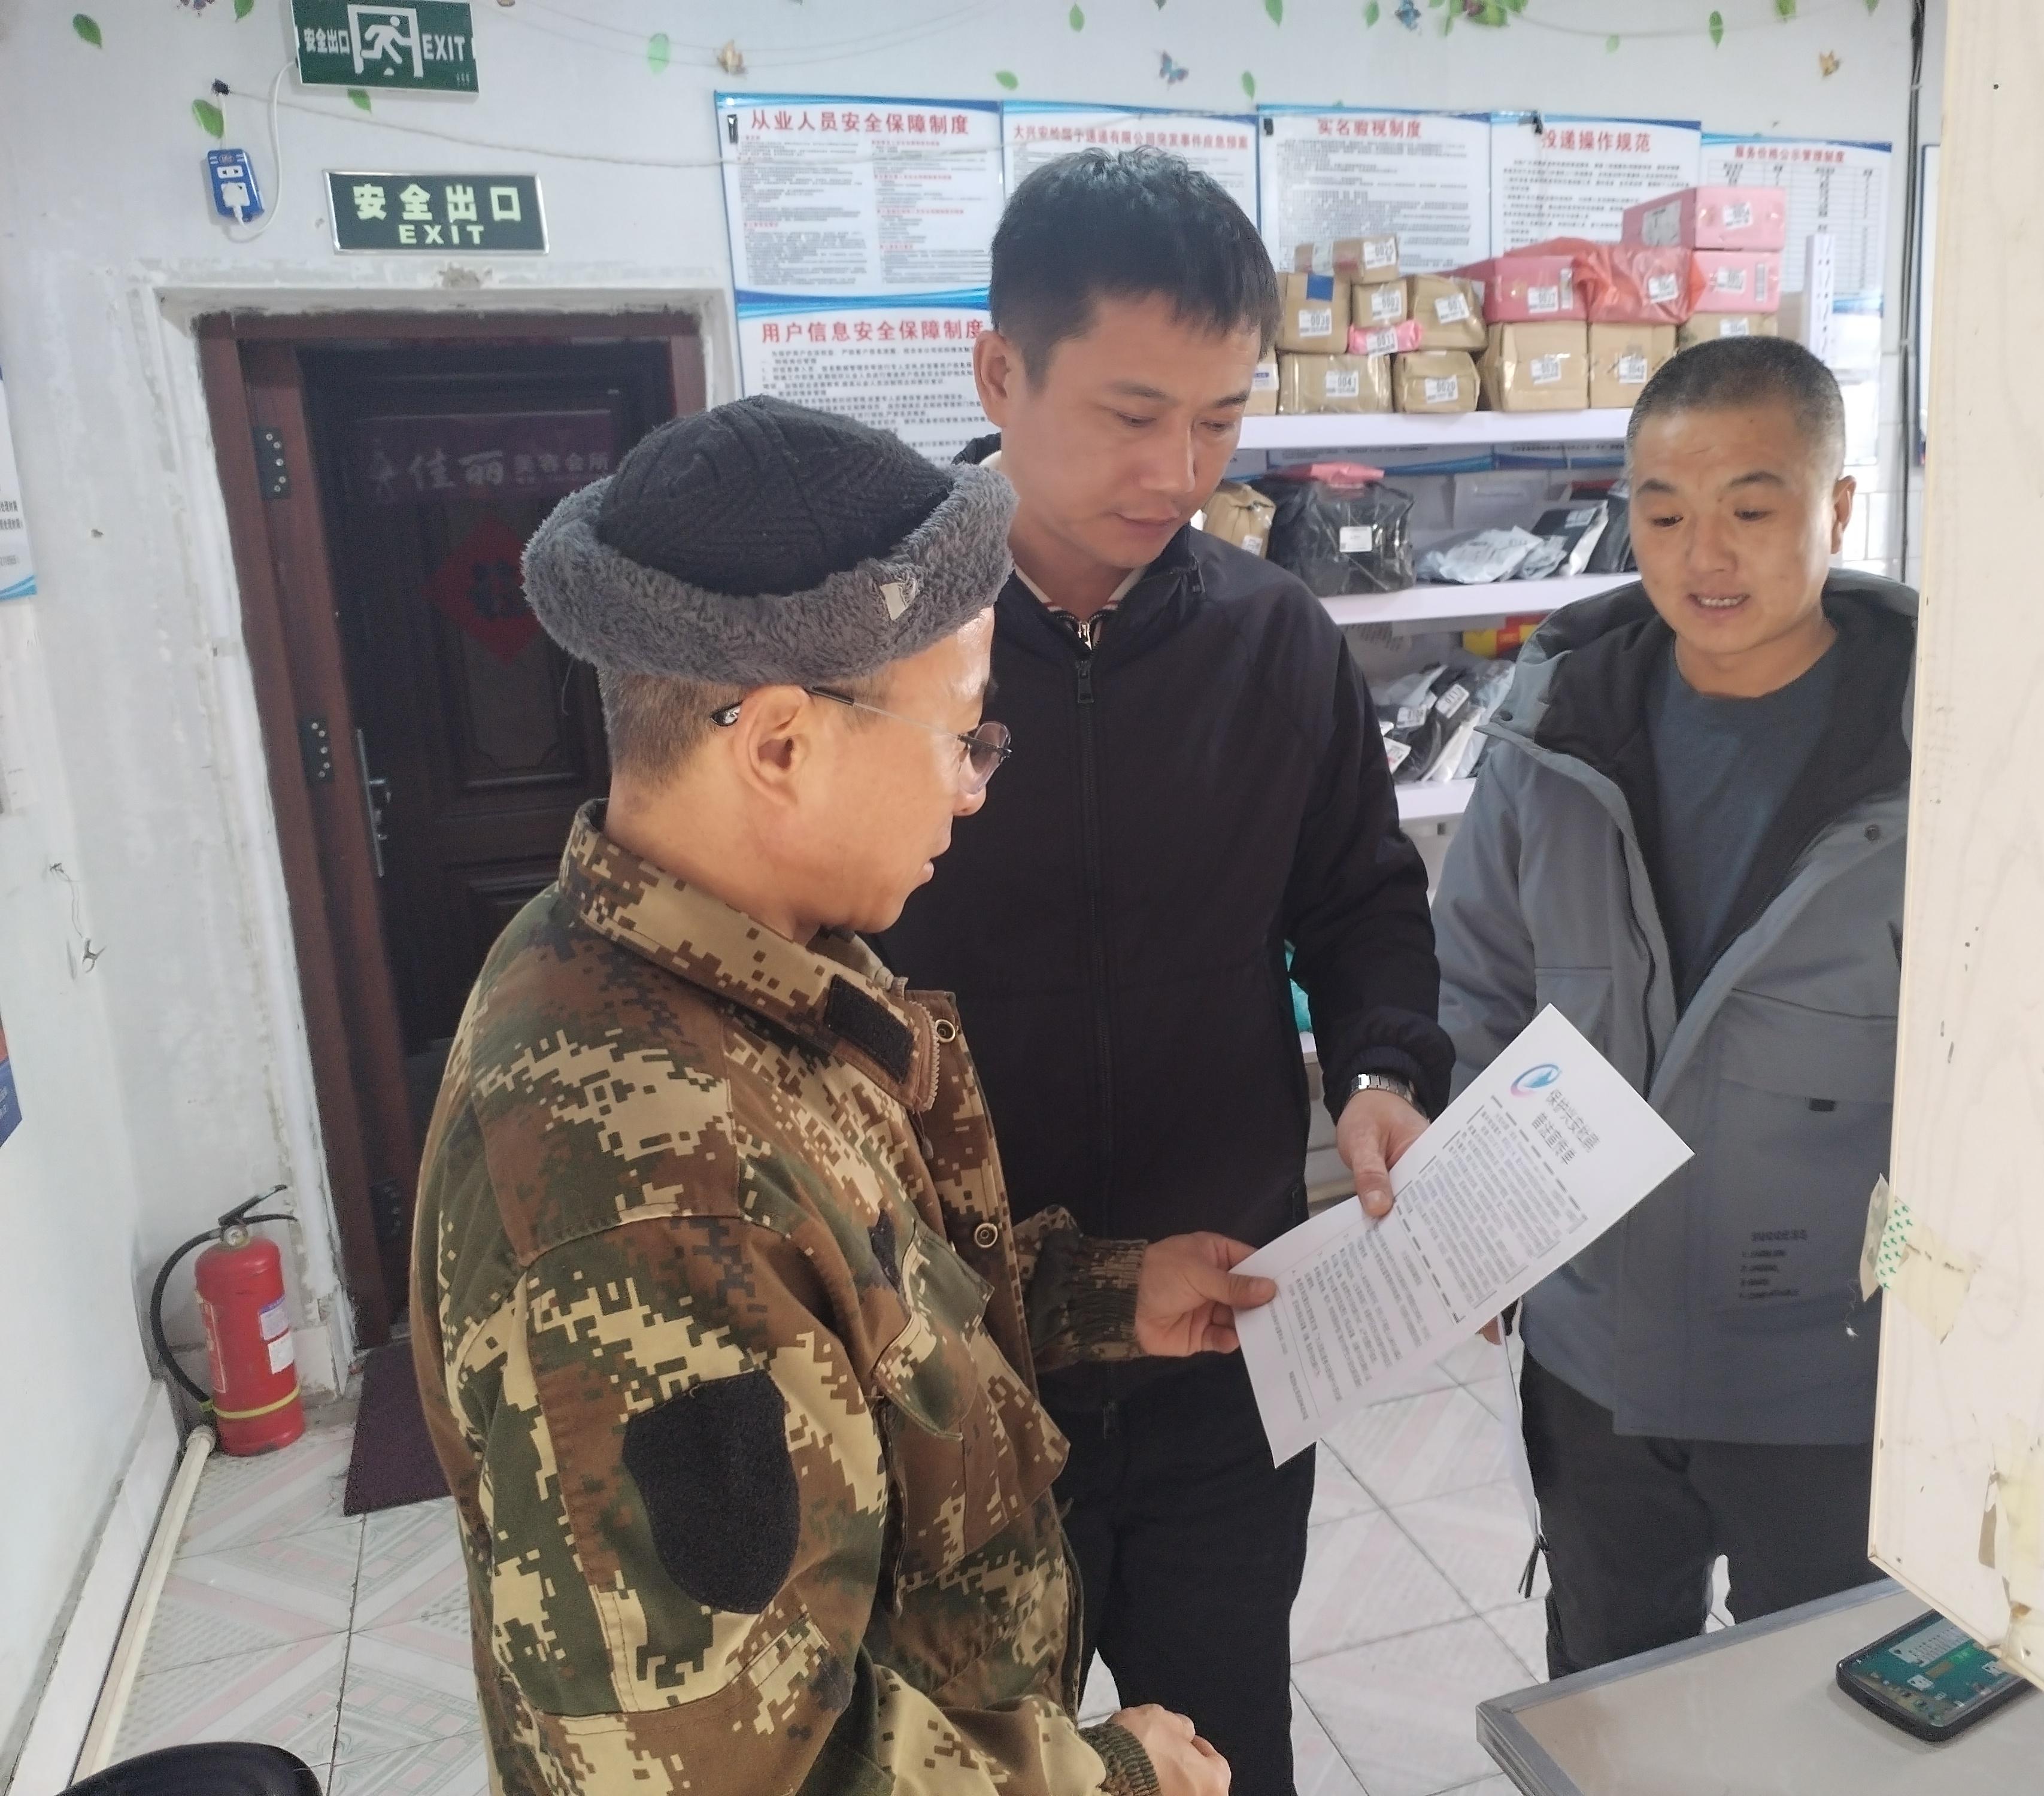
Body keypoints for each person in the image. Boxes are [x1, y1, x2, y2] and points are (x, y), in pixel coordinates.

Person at [410, 395, 1278, 1796]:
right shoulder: (648, 1189)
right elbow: (730, 1771)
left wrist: (1104, 1294)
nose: (973, 791)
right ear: (779, 745)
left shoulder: (712, 972)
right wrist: (1113, 1778)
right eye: (960, 737)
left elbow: (860, 1307)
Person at [874, 149, 1454, 1796]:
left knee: (1222, 1750)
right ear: (1000, 373)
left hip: (1226, 1335)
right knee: (993, 1765)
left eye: (1219, 420)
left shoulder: (1275, 643)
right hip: (951, 1352)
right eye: (1133, 415)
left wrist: (1382, 1071)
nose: (1179, 472)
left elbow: (1359, 901)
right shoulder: (878, 655)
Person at [1435, 336, 1915, 1674]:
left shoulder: (1937, 751)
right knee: (1601, 1686)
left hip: (1830, 1372)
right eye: (1662, 515)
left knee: (1820, 1707)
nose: (1705, 556)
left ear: (1836, 508)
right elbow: (1477, 984)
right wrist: (1472, 1218)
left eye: (1751, 510)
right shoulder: (1558, 729)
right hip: (1595, 1354)